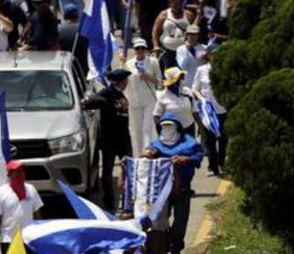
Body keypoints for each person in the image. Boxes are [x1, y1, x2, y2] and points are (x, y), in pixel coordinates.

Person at [143, 113, 204, 253]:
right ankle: (163, 245)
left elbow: (198, 156)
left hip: (182, 188)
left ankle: (176, 247)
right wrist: (146, 154)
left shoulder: (189, 142)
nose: (167, 129)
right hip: (162, 191)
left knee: (180, 221)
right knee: (159, 222)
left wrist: (186, 159)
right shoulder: (156, 144)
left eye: (170, 126)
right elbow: (146, 156)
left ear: (177, 127)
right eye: (164, 126)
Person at [82, 68, 132, 211]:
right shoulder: (107, 93)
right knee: (107, 173)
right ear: (121, 81)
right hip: (109, 140)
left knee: (129, 170)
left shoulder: (120, 95)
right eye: (126, 80)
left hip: (123, 139)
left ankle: (128, 201)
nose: (127, 83)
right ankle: (109, 201)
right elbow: (92, 101)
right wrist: (84, 101)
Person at [0, 161, 42, 254]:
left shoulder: (31, 189)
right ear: (9, 174)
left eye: (22, 170)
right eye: (16, 171)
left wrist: (40, 235)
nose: (20, 173)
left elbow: (37, 214)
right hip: (9, 240)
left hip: (29, 240)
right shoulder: (0, 192)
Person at [124, 39, 161, 157]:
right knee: (138, 130)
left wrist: (148, 77)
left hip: (149, 99)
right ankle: (140, 154)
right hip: (134, 100)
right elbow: (123, 82)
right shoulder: (128, 63)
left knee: (147, 128)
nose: (140, 50)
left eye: (142, 48)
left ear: (146, 49)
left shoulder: (153, 62)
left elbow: (160, 82)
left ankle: (148, 153)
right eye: (137, 48)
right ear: (134, 50)